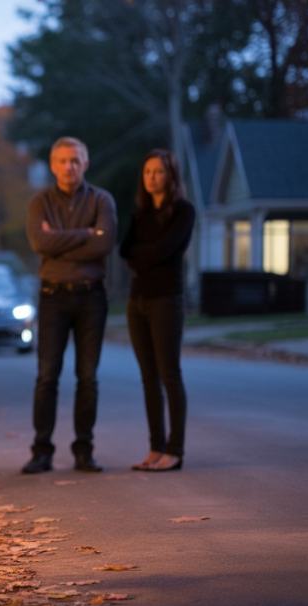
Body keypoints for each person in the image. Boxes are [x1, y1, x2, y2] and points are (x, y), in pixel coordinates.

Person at [23, 137, 117, 474]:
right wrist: (86, 233)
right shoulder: (40, 202)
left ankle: (84, 451)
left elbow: (104, 244)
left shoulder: (102, 199)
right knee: (47, 376)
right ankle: (41, 451)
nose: (69, 167)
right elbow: (39, 241)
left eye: (75, 160)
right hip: (53, 297)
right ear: (52, 165)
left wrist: (59, 241)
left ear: (85, 163)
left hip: (92, 296)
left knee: (87, 376)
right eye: (62, 161)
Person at [119, 149, 195, 472]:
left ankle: (174, 450)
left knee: (169, 375)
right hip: (136, 302)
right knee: (148, 378)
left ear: (170, 175)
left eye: (158, 172)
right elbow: (125, 250)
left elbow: (166, 251)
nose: (152, 177)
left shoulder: (183, 211)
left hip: (166, 300)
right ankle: (155, 447)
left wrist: (142, 256)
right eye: (147, 172)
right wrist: (146, 256)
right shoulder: (140, 213)